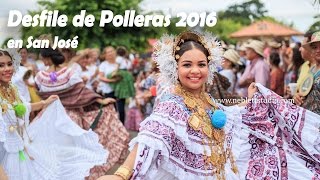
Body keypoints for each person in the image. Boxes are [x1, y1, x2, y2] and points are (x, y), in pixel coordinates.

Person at [98, 31, 320, 180]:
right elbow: (151, 137)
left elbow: (229, 114)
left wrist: (252, 102)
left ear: (209, 66)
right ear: (174, 68)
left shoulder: (206, 99)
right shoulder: (171, 103)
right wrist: (122, 174)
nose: (195, 71)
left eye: (201, 64)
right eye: (187, 65)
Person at [0, 49, 108, 180]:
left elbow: (24, 107)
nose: (7, 69)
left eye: (9, 64)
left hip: (20, 150)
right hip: (8, 154)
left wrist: (45, 102)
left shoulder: (11, 89)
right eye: (1, 66)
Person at [34, 48, 130, 179]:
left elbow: (41, 94)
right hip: (69, 116)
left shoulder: (39, 76)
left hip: (47, 116)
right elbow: (81, 92)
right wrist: (101, 100)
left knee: (48, 150)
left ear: (46, 58)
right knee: (74, 151)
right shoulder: (69, 73)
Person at [294, 31, 320, 115]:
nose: (318, 50)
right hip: (308, 120)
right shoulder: (312, 69)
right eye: (315, 47)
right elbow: (305, 90)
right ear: (311, 51)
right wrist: (297, 96)